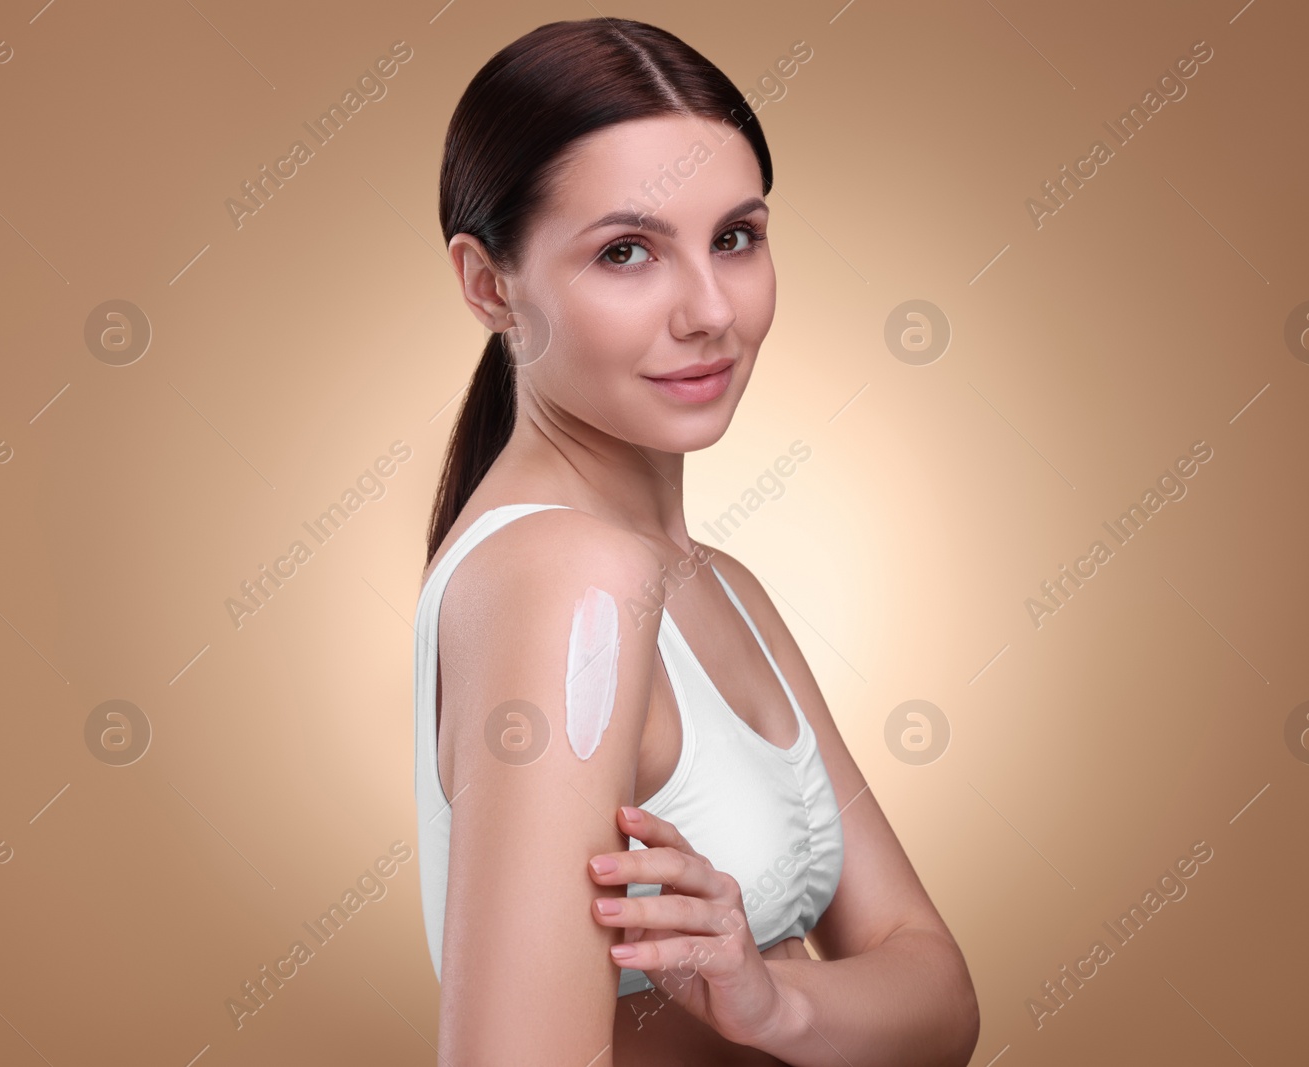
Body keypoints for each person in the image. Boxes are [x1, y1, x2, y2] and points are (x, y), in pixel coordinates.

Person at [413, 17, 979, 1064]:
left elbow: (937, 994)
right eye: (626, 252)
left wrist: (769, 1001)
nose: (711, 309)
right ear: (490, 284)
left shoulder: (718, 585)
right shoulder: (567, 581)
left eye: (735, 237)